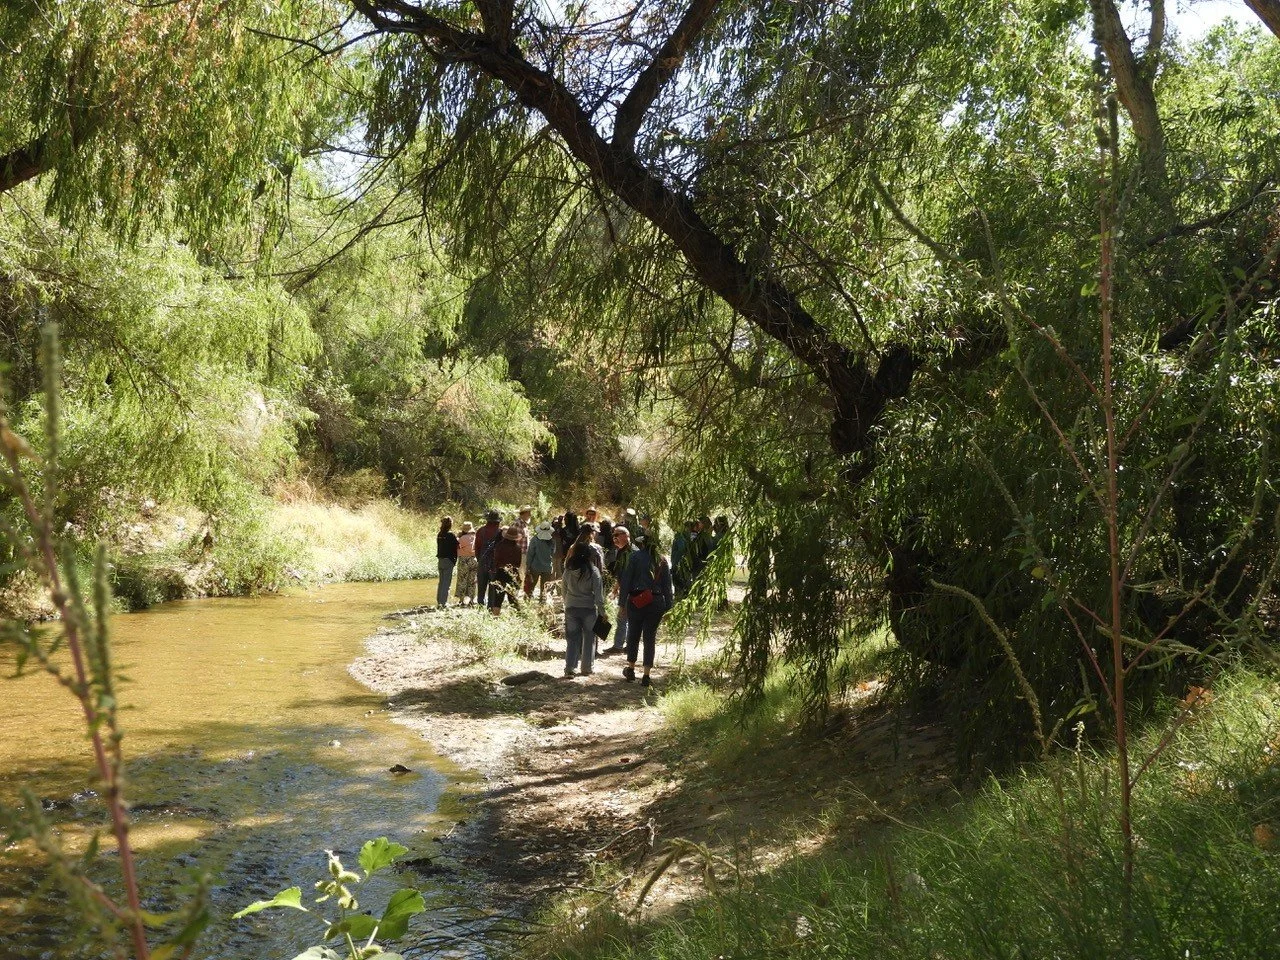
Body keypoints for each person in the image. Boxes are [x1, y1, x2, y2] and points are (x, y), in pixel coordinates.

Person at [618, 530, 673, 686]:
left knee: (633, 635)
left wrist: (622, 604)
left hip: (636, 600)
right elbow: (667, 587)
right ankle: (647, 675)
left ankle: (631, 668)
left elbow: (626, 581)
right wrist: (669, 607)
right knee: (650, 638)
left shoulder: (634, 557)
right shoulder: (662, 560)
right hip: (656, 602)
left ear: (642, 543)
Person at [561, 534, 608, 677]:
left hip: (571, 608)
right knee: (589, 638)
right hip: (588, 608)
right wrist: (602, 611)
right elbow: (598, 595)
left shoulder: (568, 570)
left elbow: (563, 589)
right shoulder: (593, 571)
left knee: (572, 639)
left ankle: (570, 668)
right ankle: (587, 667)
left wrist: (567, 603)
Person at [602, 525, 636, 656]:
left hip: (631, 590)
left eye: (617, 535)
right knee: (625, 618)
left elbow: (628, 576)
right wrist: (616, 588)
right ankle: (626, 645)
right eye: (613, 535)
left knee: (623, 617)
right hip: (625, 589)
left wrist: (622, 596)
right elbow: (621, 573)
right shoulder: (621, 551)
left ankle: (619, 646)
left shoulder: (631, 552)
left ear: (626, 536)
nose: (614, 538)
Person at [487, 524, 524, 615]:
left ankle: (495, 618)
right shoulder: (517, 548)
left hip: (500, 573)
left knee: (498, 599)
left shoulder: (499, 546)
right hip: (512, 574)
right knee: (513, 598)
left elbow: (496, 561)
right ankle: (516, 619)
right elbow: (518, 564)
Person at [474, 510, 503, 607]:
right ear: (497, 522)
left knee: (481, 588)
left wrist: (480, 560)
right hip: (494, 565)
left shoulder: (480, 531)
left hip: (482, 562)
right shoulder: (500, 532)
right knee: (493, 588)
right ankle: (490, 608)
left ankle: (480, 606)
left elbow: (477, 548)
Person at [524, 521, 556, 600]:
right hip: (547, 567)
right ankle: (542, 604)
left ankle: (528, 603)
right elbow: (553, 553)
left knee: (531, 587)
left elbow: (530, 554)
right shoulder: (552, 541)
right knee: (544, 589)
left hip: (535, 566)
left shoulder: (535, 540)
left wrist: (527, 566)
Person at [436, 516, 458, 608]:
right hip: (448, 560)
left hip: (440, 560)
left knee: (441, 582)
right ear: (450, 524)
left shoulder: (440, 534)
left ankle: (439, 601)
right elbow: (457, 546)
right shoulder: (451, 535)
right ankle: (443, 603)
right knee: (446, 583)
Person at [454, 521, 478, 606]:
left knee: (462, 580)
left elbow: (457, 549)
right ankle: (471, 600)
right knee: (472, 581)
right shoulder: (475, 537)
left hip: (463, 561)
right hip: (474, 560)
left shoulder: (461, 539)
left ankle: (461, 600)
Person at [671, 519, 697, 595]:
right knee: (687, 586)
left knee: (680, 587)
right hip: (688, 566)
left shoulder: (680, 537)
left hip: (680, 566)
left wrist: (675, 564)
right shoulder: (693, 537)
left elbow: (681, 550)